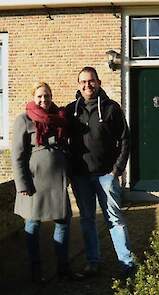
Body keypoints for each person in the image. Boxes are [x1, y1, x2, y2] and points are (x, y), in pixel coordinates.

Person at [66, 66, 135, 278]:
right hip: (80, 176)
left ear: (99, 82)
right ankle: (93, 262)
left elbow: (125, 140)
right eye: (83, 82)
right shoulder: (70, 111)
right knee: (87, 219)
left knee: (114, 219)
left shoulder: (111, 108)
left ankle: (127, 263)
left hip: (106, 175)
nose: (88, 85)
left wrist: (117, 170)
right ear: (79, 85)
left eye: (91, 81)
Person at [12, 82, 79, 283]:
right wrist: (22, 184)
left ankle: (63, 268)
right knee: (32, 224)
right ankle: (35, 271)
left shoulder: (59, 118)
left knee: (64, 222)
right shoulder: (23, 119)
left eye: (47, 96)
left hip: (57, 182)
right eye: (40, 96)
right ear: (33, 96)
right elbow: (17, 155)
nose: (44, 100)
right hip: (33, 183)